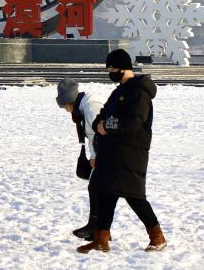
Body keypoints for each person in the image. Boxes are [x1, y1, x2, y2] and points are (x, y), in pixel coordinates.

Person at [78, 49, 167, 254]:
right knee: (105, 192)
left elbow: (133, 122)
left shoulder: (139, 92)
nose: (111, 72)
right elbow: (103, 114)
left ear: (125, 68)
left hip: (130, 153)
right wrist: (101, 124)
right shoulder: (120, 90)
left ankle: (157, 236)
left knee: (134, 195)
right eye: (109, 69)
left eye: (114, 68)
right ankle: (101, 239)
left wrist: (106, 127)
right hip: (112, 152)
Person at [55, 78, 102, 241]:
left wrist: (95, 156)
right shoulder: (85, 107)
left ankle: (96, 228)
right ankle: (98, 229)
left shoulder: (91, 108)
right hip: (107, 152)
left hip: (111, 152)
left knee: (99, 188)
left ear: (70, 101)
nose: (67, 111)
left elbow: (98, 135)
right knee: (100, 189)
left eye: (65, 107)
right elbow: (91, 136)